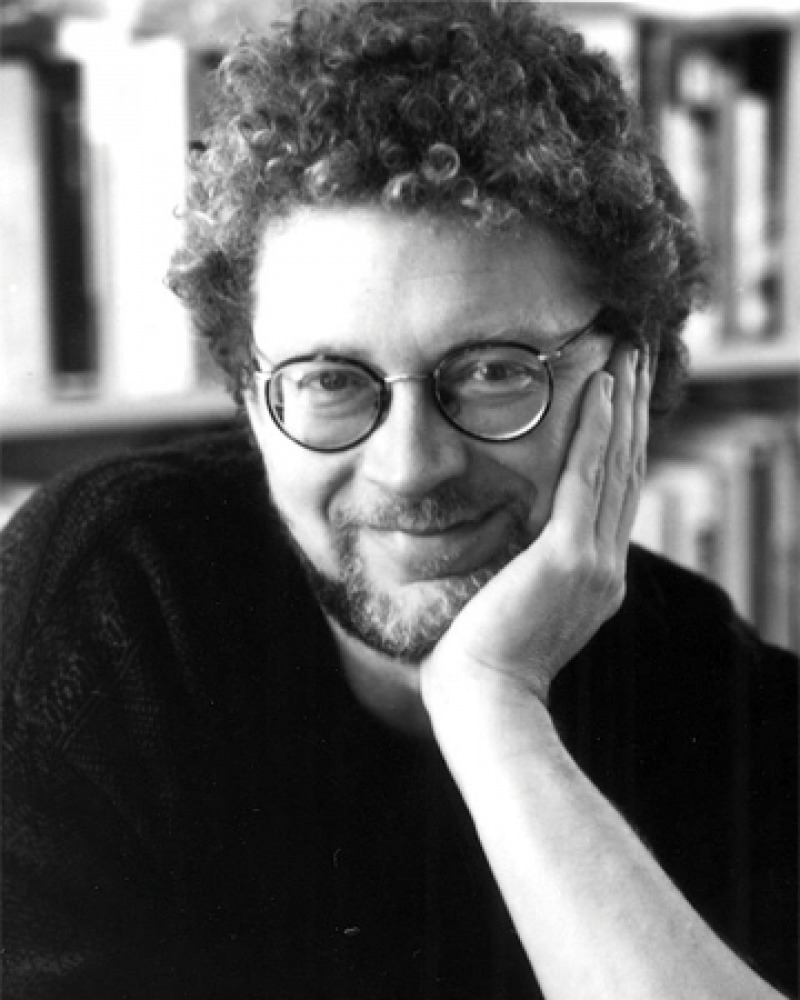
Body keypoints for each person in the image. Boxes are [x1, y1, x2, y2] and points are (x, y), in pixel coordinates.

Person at [2, 3, 796, 998]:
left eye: (493, 371)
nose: (410, 466)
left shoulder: (722, 703)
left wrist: (492, 709)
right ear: (250, 400)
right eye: (330, 382)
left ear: (628, 377)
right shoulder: (108, 600)